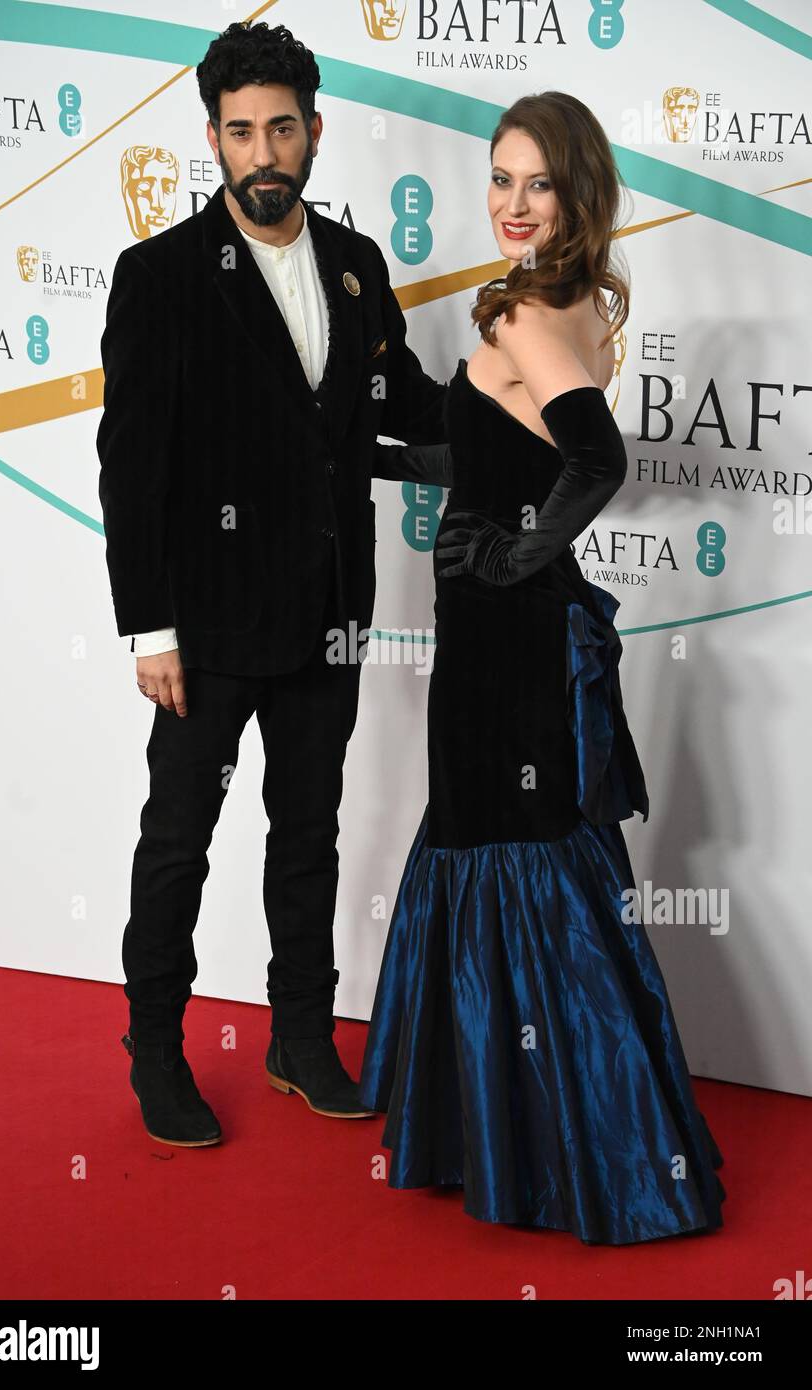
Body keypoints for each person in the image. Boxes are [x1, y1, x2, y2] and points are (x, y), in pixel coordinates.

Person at [358, 92, 727, 1243]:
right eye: (501, 179)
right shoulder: (575, 304)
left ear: (574, 191)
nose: (514, 205)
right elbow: (480, 447)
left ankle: (558, 1152)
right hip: (516, 633)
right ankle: (556, 1133)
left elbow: (593, 456)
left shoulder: (524, 312)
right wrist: (349, 447)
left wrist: (519, 551)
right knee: (533, 855)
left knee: (505, 853)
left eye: (538, 184)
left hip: (502, 638)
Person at [96, 21, 452, 1146]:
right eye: (241, 130)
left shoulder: (357, 265)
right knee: (177, 840)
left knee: (310, 831)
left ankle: (302, 1036)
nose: (263, 150)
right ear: (212, 138)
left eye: (281, 128)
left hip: (332, 615)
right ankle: (157, 1051)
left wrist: (523, 402)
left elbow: (396, 416)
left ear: (311, 131)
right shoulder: (158, 278)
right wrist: (149, 627)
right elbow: (132, 466)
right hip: (203, 626)